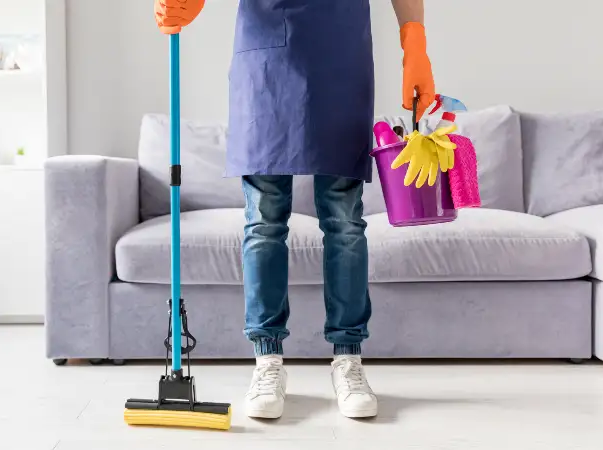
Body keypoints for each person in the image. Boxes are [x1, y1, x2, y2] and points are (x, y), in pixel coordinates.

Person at [154, 0, 436, 419]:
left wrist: (414, 38)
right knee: (265, 219)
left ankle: (348, 359)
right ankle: (267, 360)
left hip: (341, 51)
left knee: (344, 220)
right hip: (265, 53)